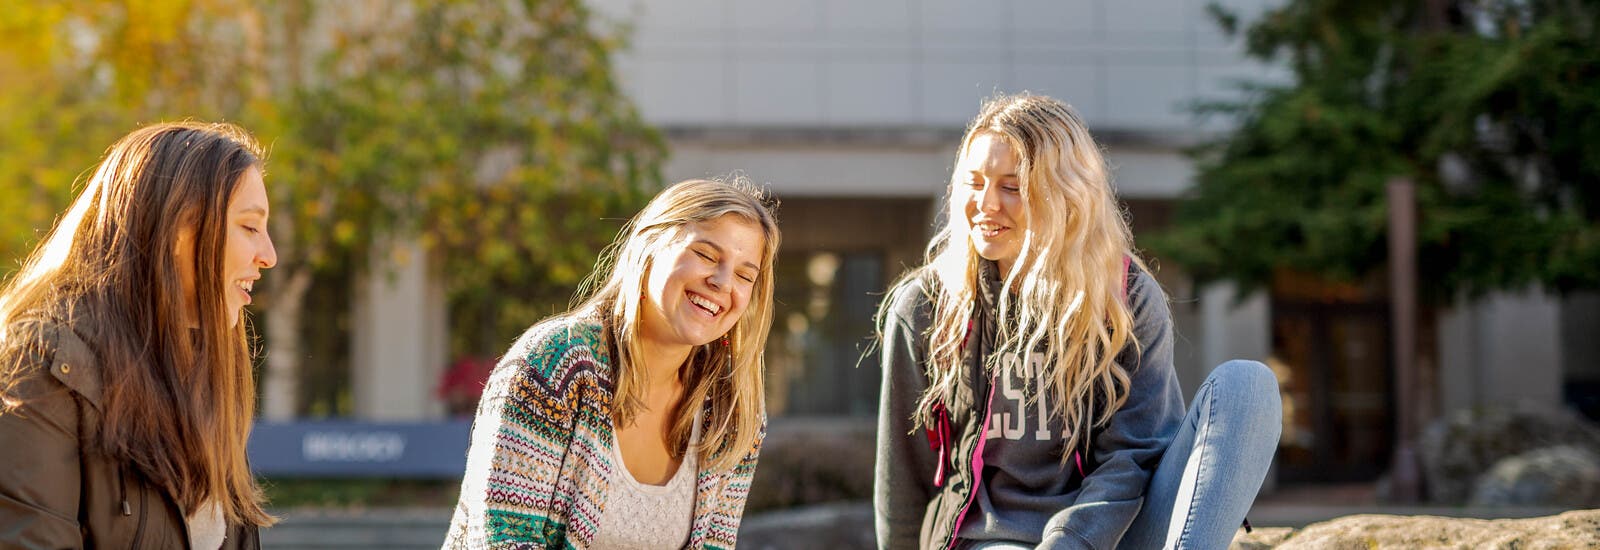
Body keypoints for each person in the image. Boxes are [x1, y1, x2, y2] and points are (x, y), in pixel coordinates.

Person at [874, 94, 1282, 550]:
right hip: (995, 538)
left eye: (1011, 186)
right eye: (973, 182)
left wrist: (1072, 541)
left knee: (1247, 384)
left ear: (1065, 194)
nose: (985, 204)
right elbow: (901, 478)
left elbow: (1137, 451)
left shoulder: (1125, 297)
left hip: (1116, 533)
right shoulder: (927, 305)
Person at [444, 178, 780, 549]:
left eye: (745, 275)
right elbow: (503, 539)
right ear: (650, 247)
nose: (722, 282)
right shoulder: (557, 364)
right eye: (705, 254)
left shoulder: (731, 408)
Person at [0, 121, 279, 549]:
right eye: (249, 227)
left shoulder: (204, 377)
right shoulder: (41, 367)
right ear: (178, 230)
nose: (269, 256)